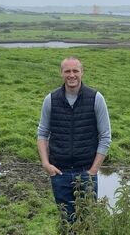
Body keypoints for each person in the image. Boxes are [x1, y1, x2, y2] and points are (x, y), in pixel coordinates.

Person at [37, 56, 111, 222]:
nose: (72, 75)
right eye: (67, 71)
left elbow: (105, 137)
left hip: (86, 172)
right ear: (61, 73)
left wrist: (93, 171)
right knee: (66, 221)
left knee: (87, 223)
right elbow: (42, 133)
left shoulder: (96, 98)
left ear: (82, 72)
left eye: (75, 71)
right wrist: (45, 164)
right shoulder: (50, 100)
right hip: (59, 172)